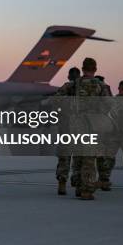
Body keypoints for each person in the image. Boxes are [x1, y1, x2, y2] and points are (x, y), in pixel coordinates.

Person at [55, 58, 111, 200]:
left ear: (83, 68)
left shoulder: (74, 84)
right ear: (95, 69)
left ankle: (79, 187)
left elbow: (57, 98)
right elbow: (109, 105)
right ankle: (86, 190)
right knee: (89, 159)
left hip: (76, 124)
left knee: (78, 157)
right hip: (93, 125)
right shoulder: (101, 85)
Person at [55, 67, 81, 195]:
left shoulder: (65, 87)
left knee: (64, 156)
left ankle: (62, 183)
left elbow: (56, 102)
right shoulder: (85, 88)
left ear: (69, 76)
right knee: (79, 156)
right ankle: (77, 181)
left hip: (66, 126)